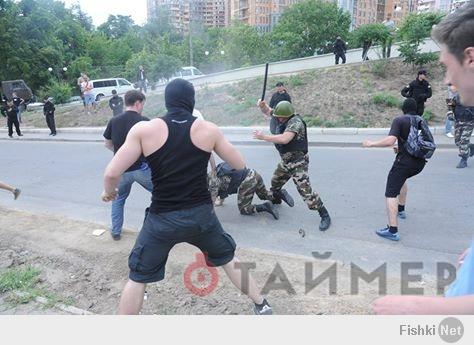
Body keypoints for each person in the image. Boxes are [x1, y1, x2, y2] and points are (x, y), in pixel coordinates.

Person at [102, 79, 272, 315]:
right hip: (201, 217)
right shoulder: (208, 129)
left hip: (162, 219)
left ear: (167, 101)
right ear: (192, 101)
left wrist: (109, 193)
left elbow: (111, 173)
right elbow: (239, 164)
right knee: (227, 259)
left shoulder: (145, 129)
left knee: (138, 276)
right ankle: (262, 305)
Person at [255, 100, 332, 231]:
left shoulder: (296, 122)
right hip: (286, 161)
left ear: (287, 115)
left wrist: (265, 137)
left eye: (280, 117)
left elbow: (285, 139)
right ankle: (279, 197)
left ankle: (324, 214)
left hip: (298, 163)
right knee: (275, 182)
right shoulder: (282, 115)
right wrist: (263, 106)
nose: (278, 119)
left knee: (306, 193)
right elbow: (268, 111)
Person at [363, 98, 428, 242]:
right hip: (420, 163)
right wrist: (401, 148)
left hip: (404, 163)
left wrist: (371, 144)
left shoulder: (399, 120)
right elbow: (418, 141)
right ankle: (401, 210)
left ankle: (392, 231)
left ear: (403, 109)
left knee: (391, 193)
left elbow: (390, 140)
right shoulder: (420, 120)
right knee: (402, 179)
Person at [103, 90, 153, 241]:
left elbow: (107, 144)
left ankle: (116, 231)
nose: (143, 107)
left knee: (118, 199)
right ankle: (156, 229)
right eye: (143, 104)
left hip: (122, 170)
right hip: (142, 169)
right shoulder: (145, 121)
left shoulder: (114, 121)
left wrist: (121, 156)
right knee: (162, 193)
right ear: (138, 103)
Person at [208, 162, 294, 219]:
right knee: (263, 195)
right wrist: (220, 202)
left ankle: (265, 207)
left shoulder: (212, 182)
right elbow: (222, 191)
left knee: (244, 209)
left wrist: (208, 217)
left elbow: (212, 201)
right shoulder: (214, 175)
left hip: (247, 181)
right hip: (253, 173)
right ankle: (279, 194)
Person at [451, 92, 474, 168]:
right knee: (458, 142)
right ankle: (471, 146)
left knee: (463, 140)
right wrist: (450, 114)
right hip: (458, 122)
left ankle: (463, 160)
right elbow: (450, 105)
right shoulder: (457, 96)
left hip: (469, 122)